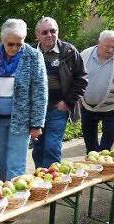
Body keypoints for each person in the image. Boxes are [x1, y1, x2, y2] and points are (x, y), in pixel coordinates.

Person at [0, 19, 48, 181]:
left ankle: (14, 200)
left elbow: (40, 91)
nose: (15, 48)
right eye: (11, 44)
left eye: (19, 44)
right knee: (0, 162)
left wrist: (37, 123)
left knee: (16, 165)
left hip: (21, 120)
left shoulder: (34, 57)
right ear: (2, 40)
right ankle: (3, 195)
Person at [32, 17, 88, 168]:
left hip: (58, 108)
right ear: (37, 35)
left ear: (58, 32)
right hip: (36, 110)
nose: (49, 34)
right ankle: (40, 181)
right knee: (38, 149)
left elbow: (82, 79)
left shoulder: (69, 51)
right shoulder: (29, 54)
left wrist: (68, 102)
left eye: (53, 31)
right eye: (45, 32)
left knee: (52, 147)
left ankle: (51, 183)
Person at [80, 30, 114, 153]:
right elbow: (75, 78)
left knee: (105, 149)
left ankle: (106, 168)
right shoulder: (85, 55)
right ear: (99, 42)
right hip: (87, 108)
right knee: (91, 149)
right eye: (107, 46)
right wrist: (77, 97)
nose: (111, 50)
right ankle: (93, 170)